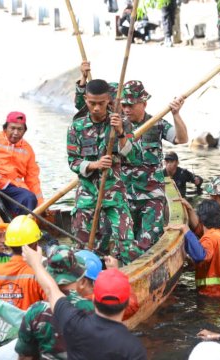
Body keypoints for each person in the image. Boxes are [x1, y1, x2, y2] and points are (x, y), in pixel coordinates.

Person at [22, 243, 148, 359]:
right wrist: (114, 273)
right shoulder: (132, 348)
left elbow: (51, 290)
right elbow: (132, 305)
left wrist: (35, 264)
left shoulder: (38, 311)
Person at [67, 79, 143, 265]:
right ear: (85, 99)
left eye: (101, 103)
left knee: (126, 241)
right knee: (81, 242)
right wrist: (95, 165)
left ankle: (126, 275)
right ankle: (82, 280)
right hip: (87, 193)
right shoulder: (76, 127)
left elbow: (133, 157)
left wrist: (120, 134)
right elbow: (73, 161)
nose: (96, 108)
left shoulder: (121, 122)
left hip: (113, 191)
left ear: (109, 100)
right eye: (92, 103)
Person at [120, 80, 188, 249]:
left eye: (131, 105)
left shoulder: (156, 123)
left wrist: (176, 114)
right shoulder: (119, 126)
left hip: (152, 195)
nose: (127, 109)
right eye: (124, 105)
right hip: (127, 195)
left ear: (144, 104)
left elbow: (182, 138)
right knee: (126, 243)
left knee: (148, 242)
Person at [15, 245, 95, 360]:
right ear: (81, 280)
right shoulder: (92, 309)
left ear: (48, 275)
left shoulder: (35, 311)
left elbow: (25, 357)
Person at [0, 111, 44, 216]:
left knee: (29, 198)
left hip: (13, 188)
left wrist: (41, 205)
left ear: (24, 131)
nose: (15, 132)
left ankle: (19, 226)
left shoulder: (28, 149)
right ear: (5, 128)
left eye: (20, 129)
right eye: (12, 128)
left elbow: (33, 180)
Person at [179, 200, 220, 297]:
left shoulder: (209, 238)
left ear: (201, 220)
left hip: (213, 296)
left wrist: (186, 230)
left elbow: (200, 256)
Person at [0, 215, 45, 311]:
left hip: (0, 325)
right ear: (35, 245)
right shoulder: (38, 273)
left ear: (9, 245)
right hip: (28, 325)